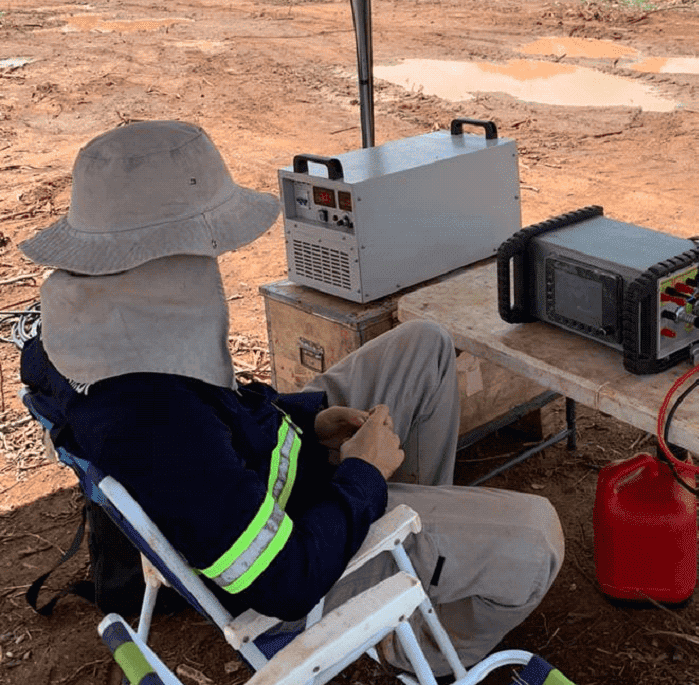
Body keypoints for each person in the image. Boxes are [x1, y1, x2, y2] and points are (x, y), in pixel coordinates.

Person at [18, 119, 564, 677]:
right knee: (536, 537)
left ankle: (423, 544)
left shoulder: (91, 330)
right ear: (166, 253)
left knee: (423, 345)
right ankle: (411, 641)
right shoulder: (153, 421)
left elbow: (221, 410)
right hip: (296, 556)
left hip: (266, 479)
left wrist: (311, 419)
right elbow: (284, 580)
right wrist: (362, 478)